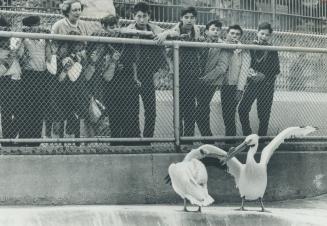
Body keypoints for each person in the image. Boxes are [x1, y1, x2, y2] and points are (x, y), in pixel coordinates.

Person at [155, 6, 201, 141]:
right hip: (179, 74)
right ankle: (178, 139)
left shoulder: (196, 30)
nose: (189, 20)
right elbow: (167, 39)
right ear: (181, 18)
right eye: (186, 17)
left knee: (191, 108)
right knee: (179, 108)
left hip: (193, 74)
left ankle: (189, 139)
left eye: (192, 17)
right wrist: (167, 35)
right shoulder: (175, 30)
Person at [126, 2, 168, 144]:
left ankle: (147, 140)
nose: (142, 19)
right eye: (139, 16)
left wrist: (164, 34)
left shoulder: (154, 29)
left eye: (144, 16)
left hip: (149, 75)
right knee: (133, 110)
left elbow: (172, 32)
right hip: (132, 74)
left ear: (149, 16)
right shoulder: (129, 30)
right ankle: (136, 139)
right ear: (134, 16)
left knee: (151, 110)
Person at [51, 0, 91, 141]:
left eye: (79, 9)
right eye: (74, 10)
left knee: (76, 104)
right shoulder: (59, 25)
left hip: (78, 68)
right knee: (61, 104)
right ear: (67, 11)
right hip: (62, 68)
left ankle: (75, 138)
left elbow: (86, 48)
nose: (77, 12)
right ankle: (57, 138)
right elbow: (53, 47)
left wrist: (77, 57)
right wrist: (65, 61)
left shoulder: (84, 26)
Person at [202, 24, 250, 138]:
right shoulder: (221, 45)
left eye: (237, 34)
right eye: (232, 33)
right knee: (225, 114)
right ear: (227, 34)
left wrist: (240, 89)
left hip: (233, 85)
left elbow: (244, 71)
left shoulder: (244, 50)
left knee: (229, 115)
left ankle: (230, 142)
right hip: (221, 84)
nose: (234, 36)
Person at [238, 22, 280, 136]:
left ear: (270, 36)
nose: (264, 37)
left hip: (267, 85)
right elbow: (246, 64)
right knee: (242, 109)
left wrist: (264, 75)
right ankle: (249, 135)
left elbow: (276, 69)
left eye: (267, 35)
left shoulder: (272, 49)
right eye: (262, 34)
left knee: (264, 114)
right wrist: (250, 72)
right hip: (252, 84)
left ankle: (261, 139)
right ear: (257, 32)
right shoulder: (251, 47)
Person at [18, 15, 54, 146]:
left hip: (42, 76)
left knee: (39, 108)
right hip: (29, 76)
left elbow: (49, 57)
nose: (39, 27)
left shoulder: (44, 40)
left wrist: (49, 40)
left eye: (39, 25)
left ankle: (36, 139)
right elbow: (20, 55)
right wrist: (22, 39)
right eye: (36, 25)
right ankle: (24, 138)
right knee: (27, 108)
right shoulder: (25, 39)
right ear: (30, 27)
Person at [196, 19, 223, 143]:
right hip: (196, 78)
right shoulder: (200, 41)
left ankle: (207, 137)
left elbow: (221, 67)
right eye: (213, 29)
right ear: (206, 31)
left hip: (210, 81)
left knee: (202, 107)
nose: (215, 32)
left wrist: (206, 78)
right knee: (198, 108)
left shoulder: (222, 45)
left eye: (218, 30)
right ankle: (206, 137)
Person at [0, 16, 22, 146]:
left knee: (20, 109)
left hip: (17, 78)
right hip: (7, 80)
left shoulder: (11, 43)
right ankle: (7, 139)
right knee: (7, 110)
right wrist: (7, 61)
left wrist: (15, 50)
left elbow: (18, 52)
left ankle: (10, 136)